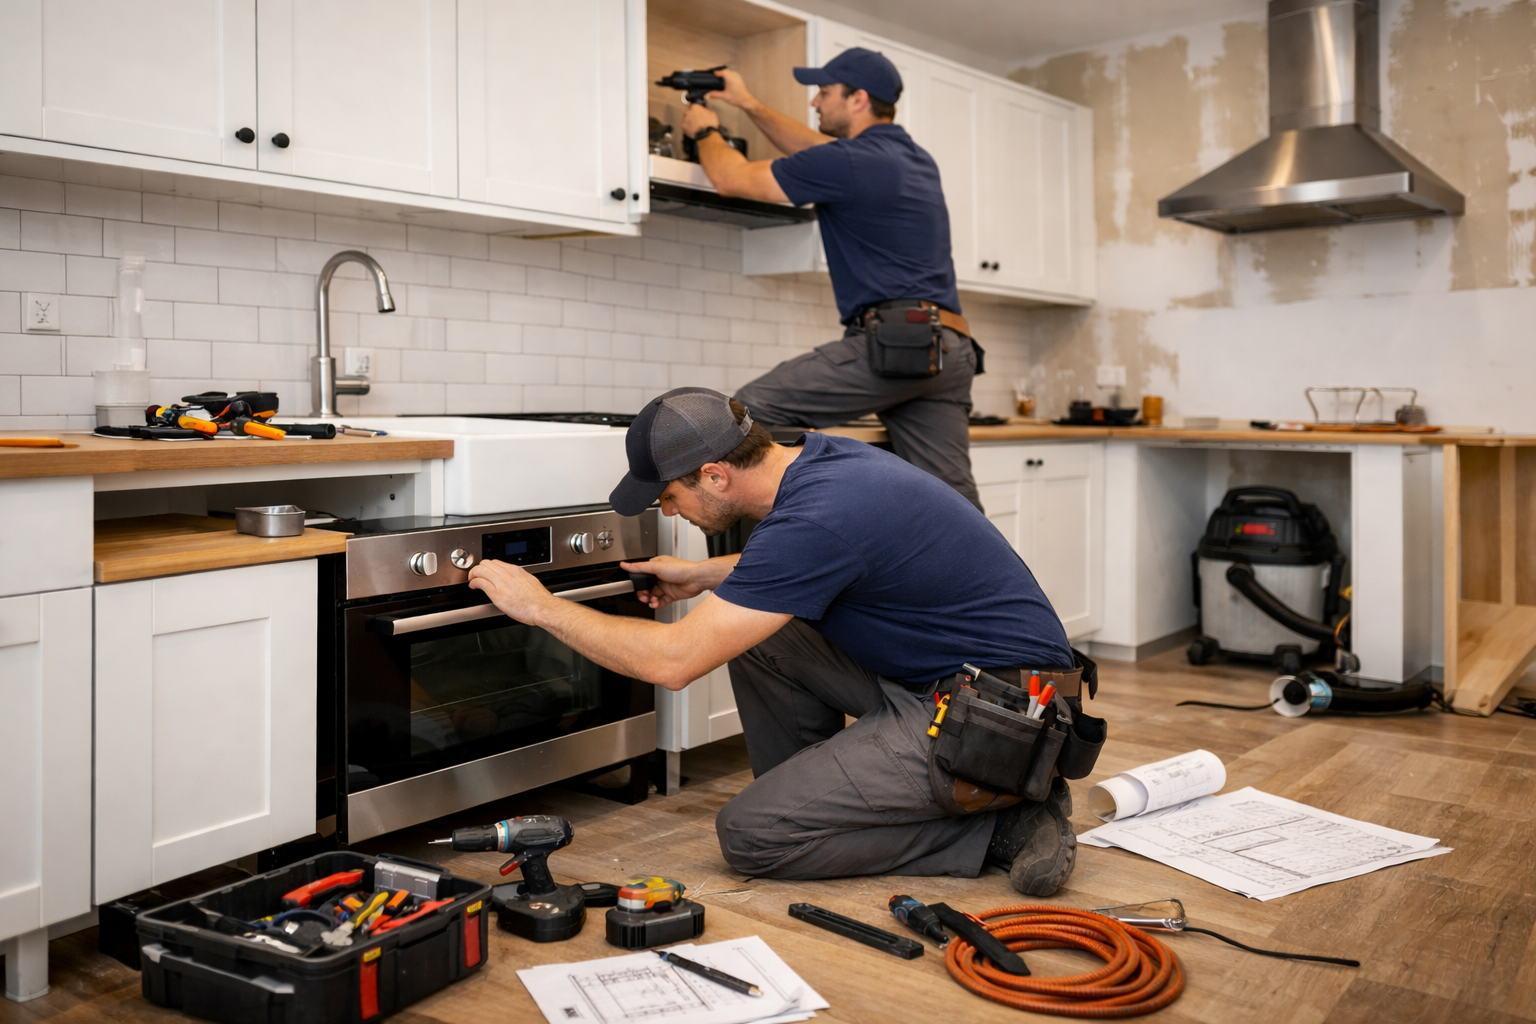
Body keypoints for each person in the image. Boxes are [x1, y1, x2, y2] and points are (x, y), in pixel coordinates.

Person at [467, 387, 1088, 895]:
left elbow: (674, 662)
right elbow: (822, 564)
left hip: (1000, 715)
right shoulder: (823, 462)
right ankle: (822, 799)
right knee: (763, 638)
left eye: (669, 496)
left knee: (752, 837)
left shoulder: (814, 518)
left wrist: (541, 608)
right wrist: (703, 574)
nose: (670, 511)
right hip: (959, 682)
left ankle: (1001, 827)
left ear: (713, 475)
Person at [680, 48, 984, 509]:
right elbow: (817, 151)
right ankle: (982, 581)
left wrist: (704, 129)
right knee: (949, 500)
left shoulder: (852, 162)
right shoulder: (910, 158)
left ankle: (794, 551)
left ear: (858, 98)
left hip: (896, 344)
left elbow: (731, 178)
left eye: (824, 92)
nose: (815, 102)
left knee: (745, 414)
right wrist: (748, 103)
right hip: (948, 351)